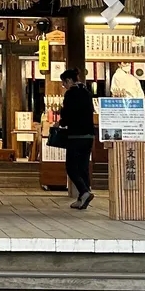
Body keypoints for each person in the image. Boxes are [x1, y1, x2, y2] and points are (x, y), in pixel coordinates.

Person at [58, 67, 96, 209]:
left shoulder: (71, 94)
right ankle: (82, 199)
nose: (64, 86)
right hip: (89, 135)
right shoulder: (87, 92)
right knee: (83, 167)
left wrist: (60, 122)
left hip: (76, 135)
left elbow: (67, 116)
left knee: (71, 167)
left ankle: (85, 192)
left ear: (68, 81)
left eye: (64, 83)